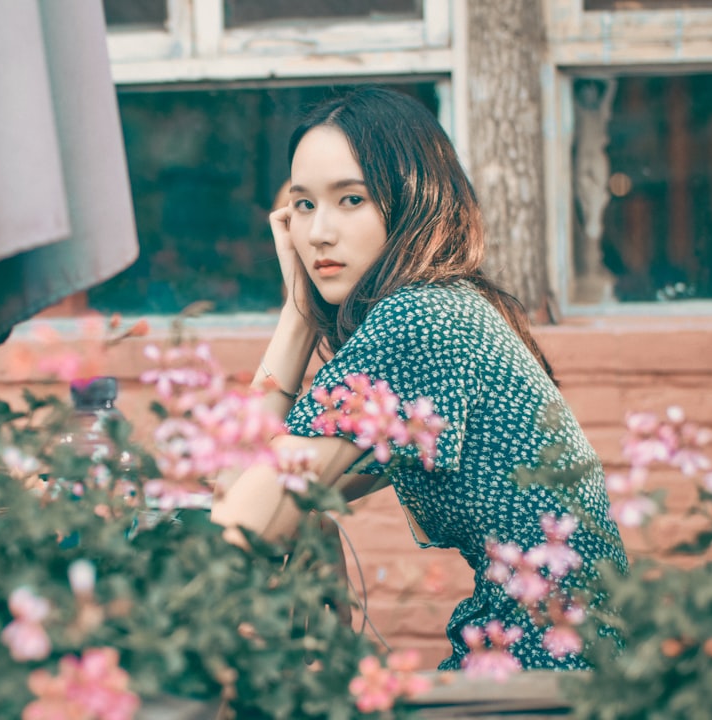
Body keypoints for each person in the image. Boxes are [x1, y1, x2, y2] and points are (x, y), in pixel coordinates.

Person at [210, 86, 627, 670]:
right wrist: (300, 313)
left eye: (350, 199)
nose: (318, 234)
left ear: (413, 200)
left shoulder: (421, 318)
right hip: (560, 667)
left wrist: (296, 317)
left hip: (545, 681)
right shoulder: (449, 306)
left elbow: (235, 523)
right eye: (303, 206)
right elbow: (256, 490)